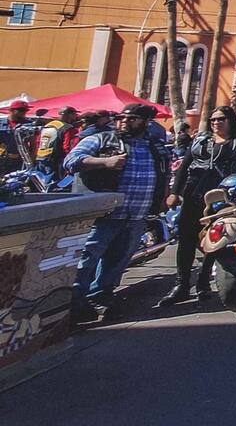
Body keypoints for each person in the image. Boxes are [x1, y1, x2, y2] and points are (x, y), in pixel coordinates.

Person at [64, 104, 172, 323]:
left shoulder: (156, 147)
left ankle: (101, 297)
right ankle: (73, 304)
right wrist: (104, 162)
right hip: (103, 214)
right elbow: (71, 161)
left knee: (117, 261)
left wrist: (164, 197)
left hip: (136, 215)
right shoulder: (102, 140)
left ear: (144, 122)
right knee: (86, 260)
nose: (124, 122)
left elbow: (165, 172)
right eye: (121, 118)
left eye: (131, 118)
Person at [158, 105, 236, 305]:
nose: (217, 123)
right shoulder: (201, 140)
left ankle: (203, 282)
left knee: (215, 241)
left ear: (230, 120)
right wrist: (174, 193)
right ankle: (182, 285)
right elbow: (184, 166)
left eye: (221, 119)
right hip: (194, 195)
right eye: (213, 119)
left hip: (222, 198)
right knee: (186, 239)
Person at [38, 105, 83, 178]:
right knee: (57, 185)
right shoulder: (67, 128)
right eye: (74, 114)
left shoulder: (48, 125)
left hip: (41, 158)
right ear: (69, 115)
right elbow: (67, 147)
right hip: (56, 161)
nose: (76, 116)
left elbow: (38, 141)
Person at [0, 100, 37, 173]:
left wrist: (31, 161)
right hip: (3, 160)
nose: (24, 113)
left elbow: (33, 144)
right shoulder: (1, 124)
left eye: (26, 110)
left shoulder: (29, 124)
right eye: (21, 110)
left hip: (22, 161)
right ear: (11, 110)